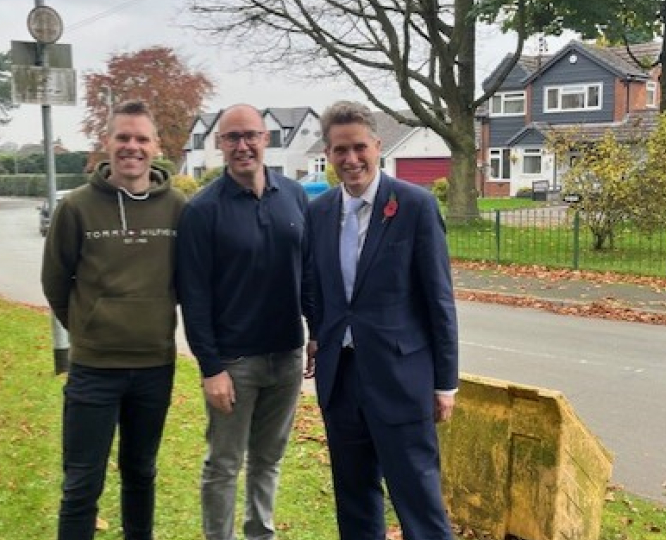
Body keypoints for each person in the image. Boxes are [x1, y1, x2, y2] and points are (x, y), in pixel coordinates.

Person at [306, 100, 459, 540]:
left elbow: (439, 300)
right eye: (339, 150)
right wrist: (318, 334)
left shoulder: (414, 205)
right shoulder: (318, 213)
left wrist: (445, 383)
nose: (350, 160)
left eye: (359, 148)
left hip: (401, 380)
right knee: (354, 501)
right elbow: (317, 287)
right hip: (341, 380)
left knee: (419, 504)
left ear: (377, 145)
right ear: (329, 152)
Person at [41, 99, 186, 540]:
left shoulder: (177, 208)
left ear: (156, 146)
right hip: (93, 370)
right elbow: (54, 281)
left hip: (154, 367)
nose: (132, 147)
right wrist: (88, 328)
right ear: (107, 142)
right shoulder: (77, 208)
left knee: (141, 473)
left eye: (141, 138)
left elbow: (188, 279)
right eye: (122, 137)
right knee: (82, 483)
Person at [176, 103, 315, 540]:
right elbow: (193, 297)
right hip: (233, 363)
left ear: (266, 139)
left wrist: (316, 331)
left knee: (269, 459)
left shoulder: (293, 196)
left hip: (287, 354)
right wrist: (210, 368)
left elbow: (309, 271)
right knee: (224, 464)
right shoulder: (202, 210)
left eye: (250, 135)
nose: (242, 146)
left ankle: (261, 534)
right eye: (232, 138)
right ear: (219, 145)